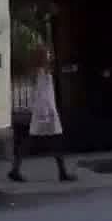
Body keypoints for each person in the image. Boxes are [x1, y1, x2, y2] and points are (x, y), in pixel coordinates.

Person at [10, 47, 76, 182]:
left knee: (36, 140)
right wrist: (47, 113)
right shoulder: (41, 73)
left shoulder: (41, 72)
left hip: (43, 112)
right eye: (47, 54)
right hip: (45, 113)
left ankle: (16, 169)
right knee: (51, 140)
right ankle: (62, 173)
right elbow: (43, 95)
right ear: (42, 57)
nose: (50, 56)